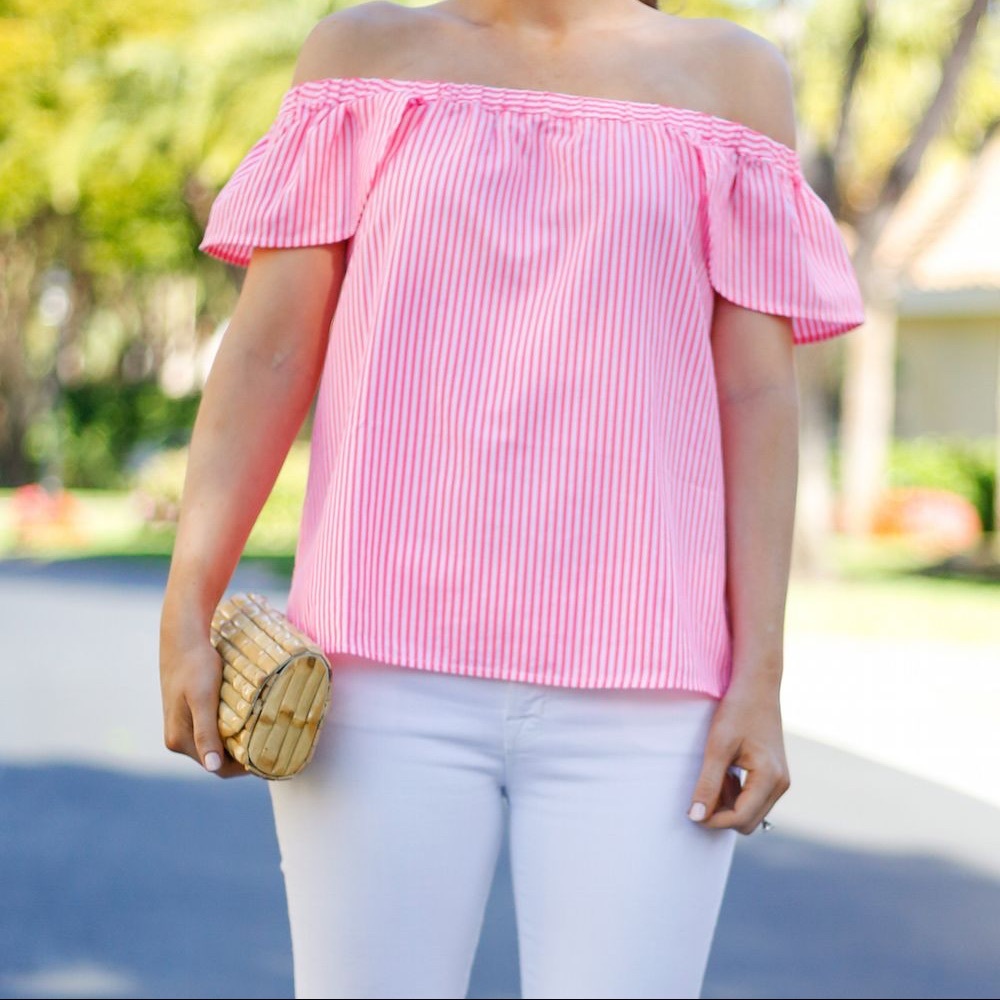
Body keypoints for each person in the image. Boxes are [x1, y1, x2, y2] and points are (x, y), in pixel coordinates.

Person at [159, 1, 865, 997]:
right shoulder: (362, 53)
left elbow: (754, 395)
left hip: (651, 696)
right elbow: (270, 350)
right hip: (373, 675)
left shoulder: (734, 78)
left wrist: (761, 674)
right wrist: (188, 600)